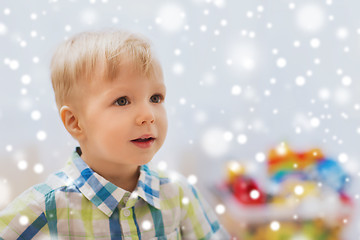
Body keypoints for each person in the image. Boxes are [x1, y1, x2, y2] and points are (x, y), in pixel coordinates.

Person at [0, 30, 230, 239]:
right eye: (122, 101)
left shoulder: (178, 194)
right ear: (75, 122)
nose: (148, 115)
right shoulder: (46, 206)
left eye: (156, 98)